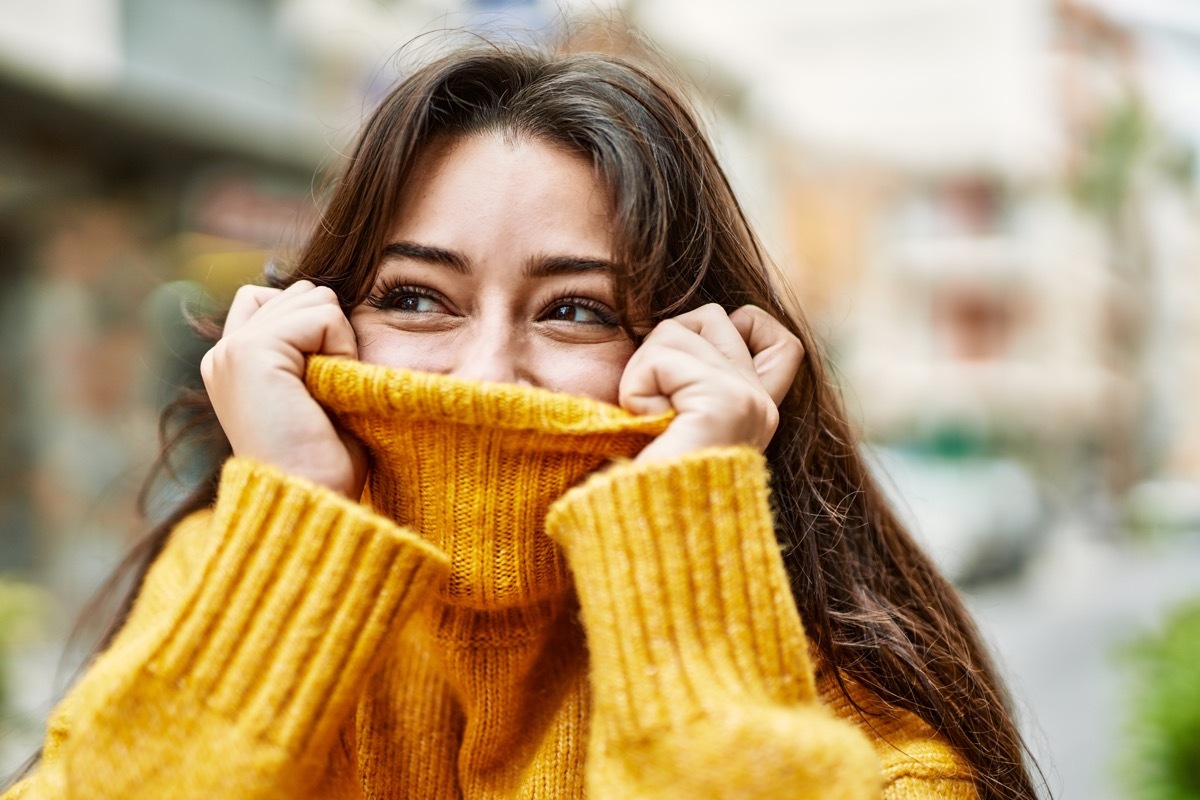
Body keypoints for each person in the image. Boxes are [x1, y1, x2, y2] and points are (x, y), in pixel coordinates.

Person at [4, 41, 1041, 800]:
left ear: (696, 355)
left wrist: (681, 534)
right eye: (415, 296)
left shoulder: (868, 753)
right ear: (318, 323)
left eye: (577, 309)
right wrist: (295, 514)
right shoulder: (221, 580)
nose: (488, 369)